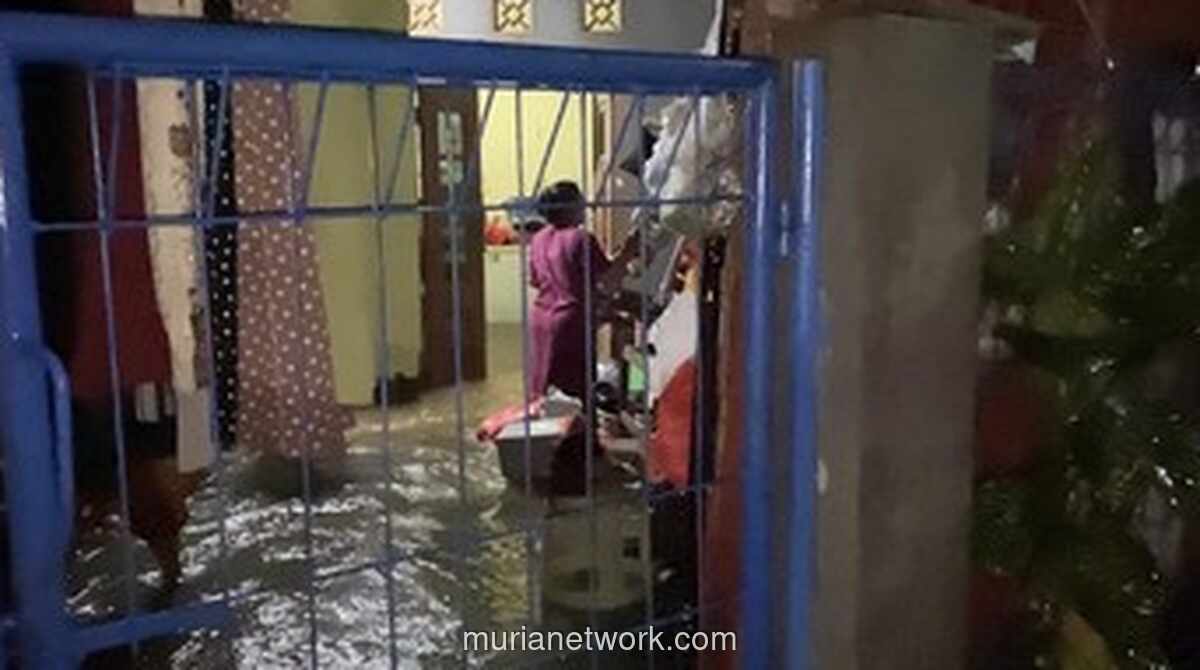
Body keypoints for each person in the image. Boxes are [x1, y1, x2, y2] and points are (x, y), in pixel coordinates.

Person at [529, 180, 639, 400]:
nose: (585, 205)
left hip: (541, 320)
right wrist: (630, 249)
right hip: (570, 323)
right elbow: (608, 279)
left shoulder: (539, 239)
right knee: (576, 392)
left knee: (545, 390)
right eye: (580, 200)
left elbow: (535, 281)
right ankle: (581, 433)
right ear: (570, 207)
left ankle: (547, 430)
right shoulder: (580, 238)